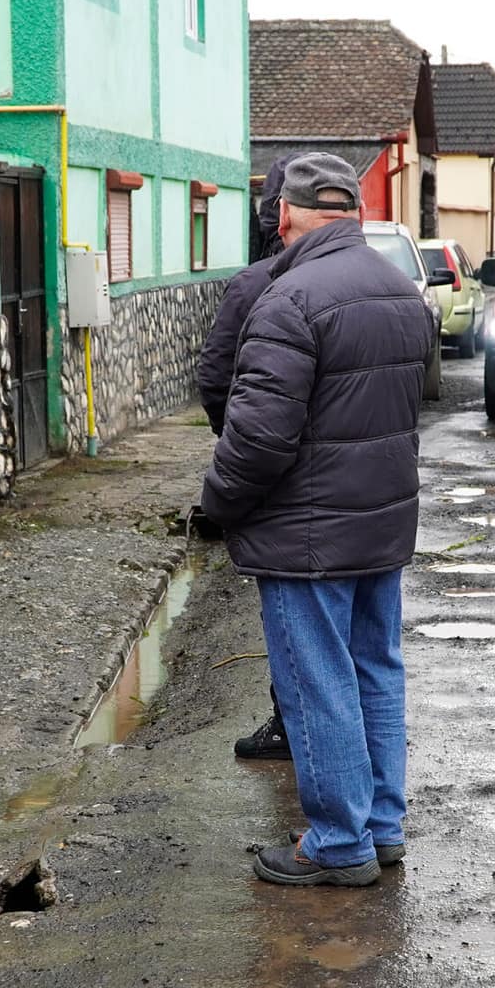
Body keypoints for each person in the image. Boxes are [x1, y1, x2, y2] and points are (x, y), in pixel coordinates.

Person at [201, 153, 433, 888]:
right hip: (380, 522)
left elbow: (259, 435)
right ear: (352, 212)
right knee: (375, 670)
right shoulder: (399, 289)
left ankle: (337, 843)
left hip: (305, 533)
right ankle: (381, 826)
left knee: (317, 682)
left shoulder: (289, 297)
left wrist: (217, 505)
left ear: (284, 214)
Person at [196, 155, 295, 763]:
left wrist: (232, 442)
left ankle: (291, 726)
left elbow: (214, 374)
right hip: (362, 496)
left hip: (273, 485)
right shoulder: (374, 280)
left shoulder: (253, 284)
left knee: (289, 618)